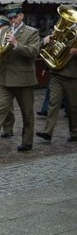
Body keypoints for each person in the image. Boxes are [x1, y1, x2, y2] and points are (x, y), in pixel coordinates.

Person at [0, 3, 40, 152]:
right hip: (4, 78)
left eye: (15, 17)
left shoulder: (32, 32)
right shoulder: (4, 30)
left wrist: (16, 44)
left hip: (23, 80)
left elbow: (33, 53)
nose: (13, 20)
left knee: (27, 113)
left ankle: (27, 141)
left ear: (21, 16)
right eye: (10, 18)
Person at [36, 11, 77, 143]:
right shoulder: (62, 30)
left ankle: (74, 132)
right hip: (57, 74)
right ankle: (47, 132)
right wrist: (48, 41)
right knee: (53, 103)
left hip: (72, 75)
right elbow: (53, 48)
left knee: (73, 106)